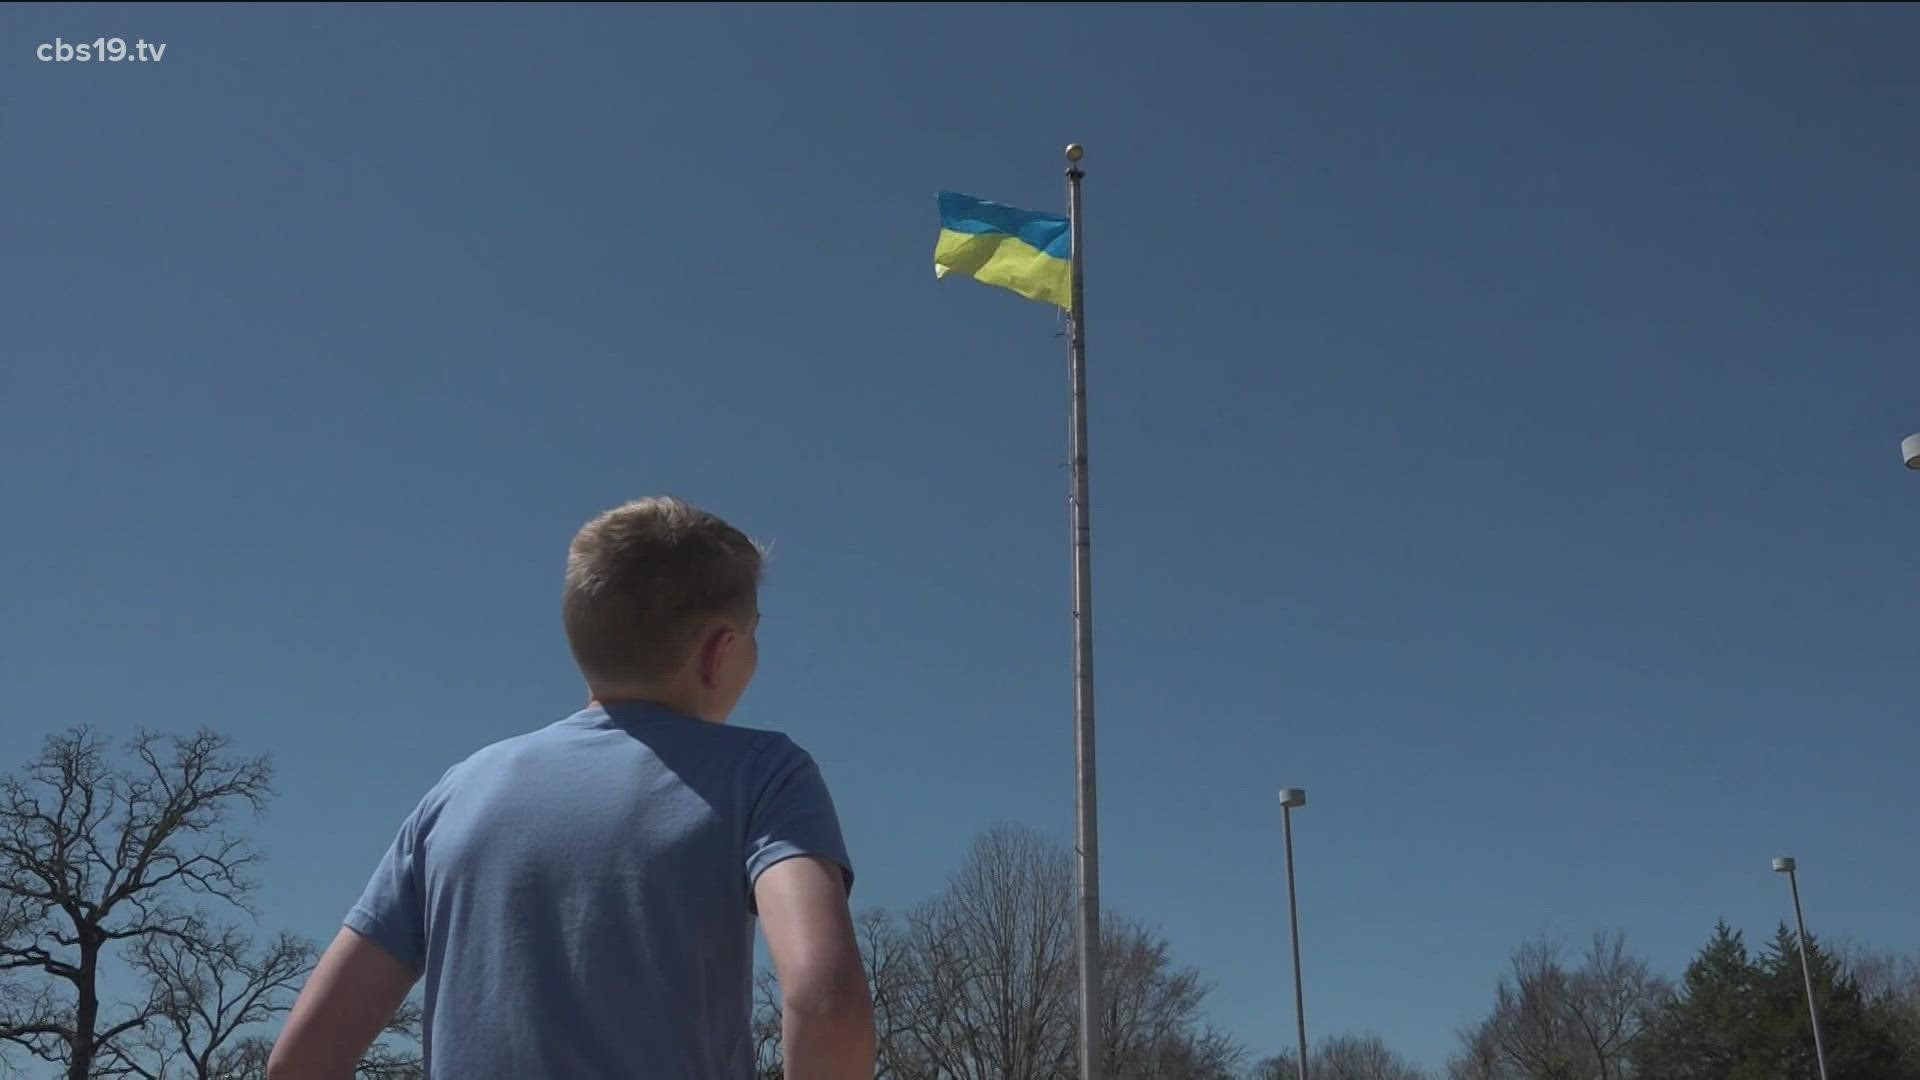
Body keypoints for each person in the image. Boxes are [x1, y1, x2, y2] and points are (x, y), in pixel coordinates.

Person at [269, 497, 875, 1079]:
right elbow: (826, 1003)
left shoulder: (458, 794)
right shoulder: (764, 772)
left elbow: (301, 1060)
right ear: (720, 654)